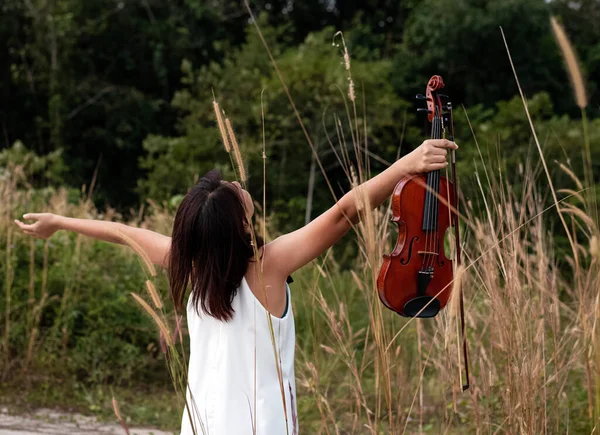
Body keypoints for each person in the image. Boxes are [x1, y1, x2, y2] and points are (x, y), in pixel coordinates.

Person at [14, 138, 457, 434]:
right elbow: (344, 212)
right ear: (239, 224)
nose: (236, 184)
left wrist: (59, 222)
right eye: (232, 190)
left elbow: (118, 230)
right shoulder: (267, 266)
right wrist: (406, 163)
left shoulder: (187, 261)